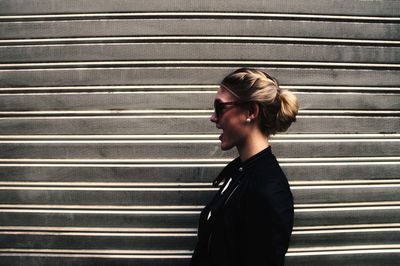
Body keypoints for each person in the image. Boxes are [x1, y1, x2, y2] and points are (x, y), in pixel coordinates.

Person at [190, 68, 298, 266]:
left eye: (220, 107)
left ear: (250, 112)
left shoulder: (269, 191)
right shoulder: (242, 172)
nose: (213, 117)